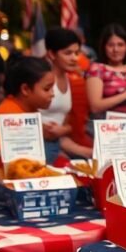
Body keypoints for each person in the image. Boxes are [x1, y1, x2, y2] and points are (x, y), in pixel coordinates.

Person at [0, 57, 56, 172]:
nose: (52, 94)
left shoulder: (31, 110)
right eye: (47, 89)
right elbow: (20, 166)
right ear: (25, 89)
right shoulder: (9, 114)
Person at [42, 28, 93, 163]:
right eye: (68, 53)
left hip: (60, 143)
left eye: (77, 53)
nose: (74, 58)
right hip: (36, 145)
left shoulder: (73, 80)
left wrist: (64, 129)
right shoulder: (40, 79)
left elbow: (65, 125)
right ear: (52, 54)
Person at [86, 24, 126, 117]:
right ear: (104, 46)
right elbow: (95, 107)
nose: (115, 49)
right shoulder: (97, 69)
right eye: (111, 45)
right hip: (108, 127)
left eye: (120, 45)